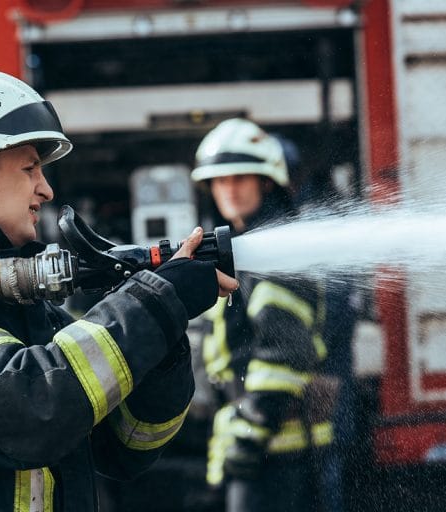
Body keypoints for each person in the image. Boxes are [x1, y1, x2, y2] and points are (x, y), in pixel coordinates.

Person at [0, 68, 237, 511]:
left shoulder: (27, 314)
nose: (46, 188)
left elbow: (127, 446)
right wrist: (154, 303)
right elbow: (31, 408)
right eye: (29, 168)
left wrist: (164, 338)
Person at [192, 118, 339, 512]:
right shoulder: (245, 250)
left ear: (267, 182)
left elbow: (284, 353)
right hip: (262, 445)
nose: (230, 189)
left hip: (280, 450)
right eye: (220, 180)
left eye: (241, 178)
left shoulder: (275, 254)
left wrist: (251, 432)